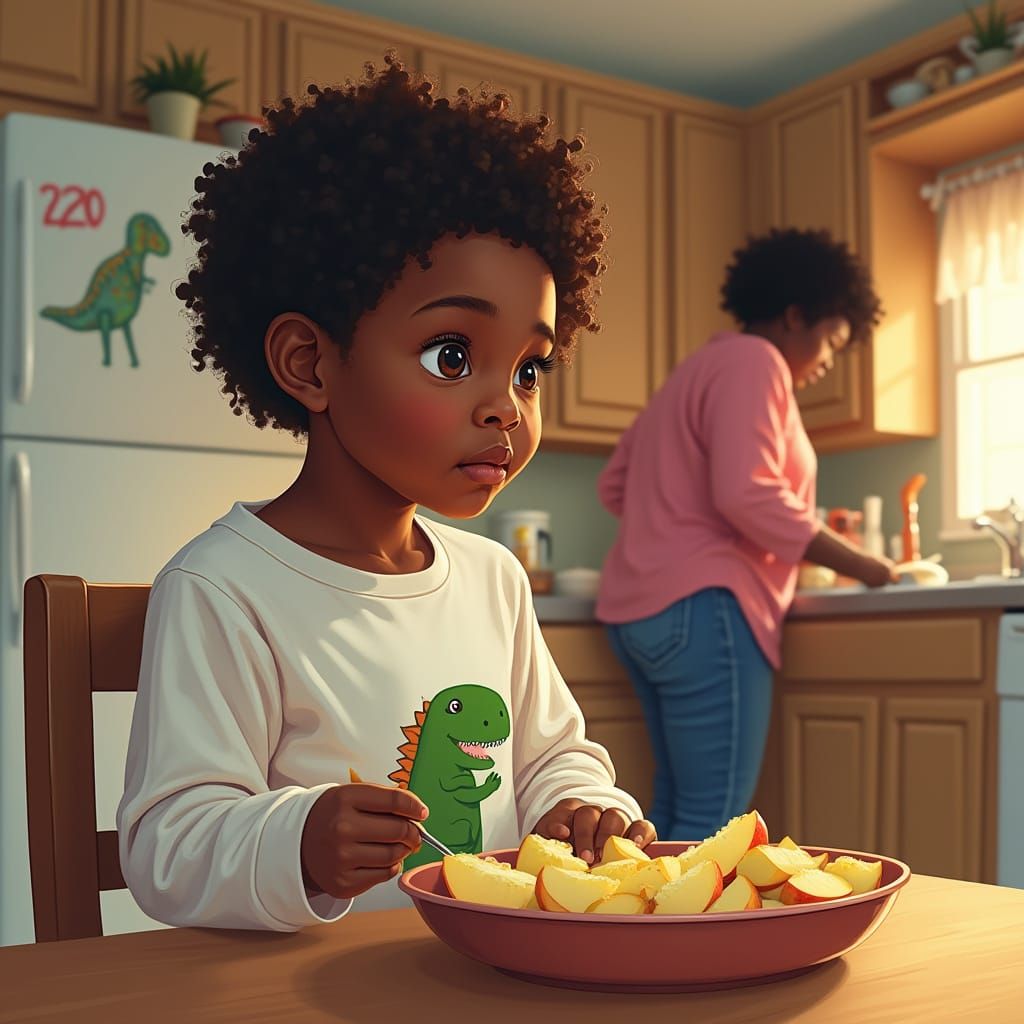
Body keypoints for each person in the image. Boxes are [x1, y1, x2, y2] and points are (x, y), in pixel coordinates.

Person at [117, 53, 655, 932]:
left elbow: (554, 758)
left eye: (530, 368)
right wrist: (294, 839)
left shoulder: (493, 581)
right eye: (453, 354)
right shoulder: (224, 589)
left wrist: (582, 806)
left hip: (488, 982)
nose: (504, 406)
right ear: (310, 362)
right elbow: (166, 843)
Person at [594, 227, 897, 843]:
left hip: (638, 614)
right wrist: (866, 565)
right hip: (707, 612)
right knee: (715, 826)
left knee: (676, 817)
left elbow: (616, 486)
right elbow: (748, 492)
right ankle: (691, 944)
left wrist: (674, 521)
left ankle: (649, 937)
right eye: (832, 341)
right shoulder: (757, 363)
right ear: (796, 316)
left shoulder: (693, 370)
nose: (829, 361)